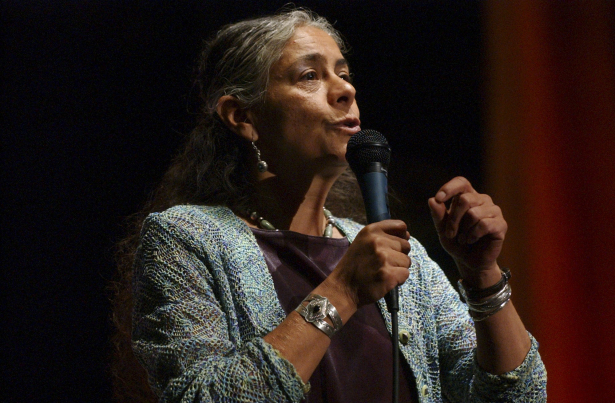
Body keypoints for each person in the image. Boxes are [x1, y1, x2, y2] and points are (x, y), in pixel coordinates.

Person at [111, 9, 547, 403]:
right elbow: (208, 397)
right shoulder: (186, 240)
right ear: (242, 116)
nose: (345, 89)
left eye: (343, 73)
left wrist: (482, 276)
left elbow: (519, 397)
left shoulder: (399, 258)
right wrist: (343, 291)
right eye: (309, 76)